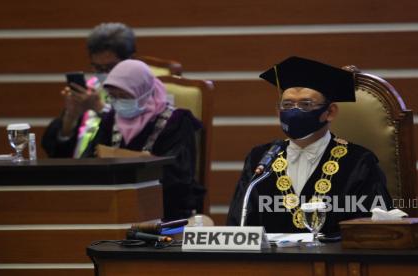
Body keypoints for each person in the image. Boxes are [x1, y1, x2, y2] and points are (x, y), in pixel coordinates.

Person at [227, 56, 392, 235]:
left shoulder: (359, 162)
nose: (294, 112)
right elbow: (238, 226)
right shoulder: (260, 160)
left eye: (306, 104)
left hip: (335, 261)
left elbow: (374, 230)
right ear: (278, 111)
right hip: (270, 262)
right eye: (287, 105)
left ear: (330, 112)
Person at [43, 59, 205, 220]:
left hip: (163, 211)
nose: (119, 102)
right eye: (113, 97)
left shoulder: (177, 121)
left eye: (125, 96)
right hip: (114, 208)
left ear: (144, 92)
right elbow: (90, 161)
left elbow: (179, 178)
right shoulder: (112, 118)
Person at [42, 22, 136, 157]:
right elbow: (55, 152)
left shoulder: (145, 92)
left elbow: (135, 141)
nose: (104, 74)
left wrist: (98, 108)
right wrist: (71, 116)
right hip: (77, 172)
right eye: (98, 68)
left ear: (130, 60)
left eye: (111, 67)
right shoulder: (91, 89)